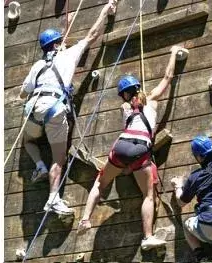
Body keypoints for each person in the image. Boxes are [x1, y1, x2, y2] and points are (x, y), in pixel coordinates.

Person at [77, 45, 188, 250]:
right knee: (148, 195)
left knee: (100, 184)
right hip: (141, 150)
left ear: (123, 95)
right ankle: (147, 237)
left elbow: (128, 112)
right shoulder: (152, 100)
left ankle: (85, 218)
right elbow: (168, 76)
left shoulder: (125, 108)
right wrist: (173, 53)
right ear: (138, 87)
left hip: (122, 146)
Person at [19, 0, 118, 216]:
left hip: (33, 110)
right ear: (57, 45)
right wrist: (105, 10)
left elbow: (22, 92)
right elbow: (92, 35)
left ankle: (39, 166)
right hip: (55, 110)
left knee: (28, 141)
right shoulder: (68, 55)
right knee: (59, 158)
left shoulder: (37, 66)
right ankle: (53, 199)